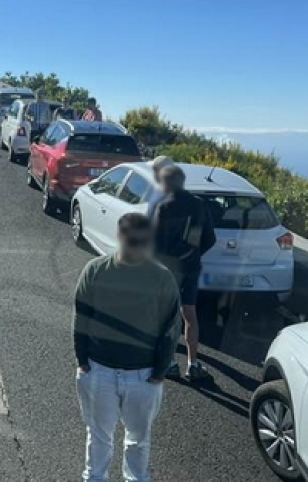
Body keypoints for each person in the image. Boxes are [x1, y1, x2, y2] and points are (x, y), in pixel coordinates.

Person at [73, 213, 181, 482]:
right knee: (99, 436)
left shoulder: (162, 278)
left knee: (138, 440)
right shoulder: (96, 270)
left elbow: (171, 328)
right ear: (120, 236)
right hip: (99, 369)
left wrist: (159, 371)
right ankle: (94, 478)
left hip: (143, 375)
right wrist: (82, 360)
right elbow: (81, 317)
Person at [152, 165, 216, 382]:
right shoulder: (199, 206)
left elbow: (158, 246)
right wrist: (194, 254)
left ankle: (170, 363)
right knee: (190, 314)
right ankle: (193, 363)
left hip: (169, 270)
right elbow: (210, 239)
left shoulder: (165, 207)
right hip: (191, 267)